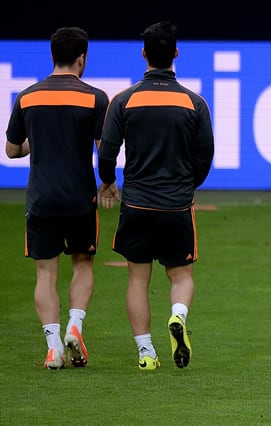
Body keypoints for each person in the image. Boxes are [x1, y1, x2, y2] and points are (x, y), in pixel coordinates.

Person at [97, 21, 214, 370]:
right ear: (176, 53)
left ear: (144, 53)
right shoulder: (194, 102)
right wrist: (188, 185)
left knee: (137, 278)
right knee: (181, 276)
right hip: (177, 204)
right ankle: (178, 315)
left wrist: (108, 182)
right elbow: (205, 155)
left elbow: (106, 153)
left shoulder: (124, 100)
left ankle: (146, 352)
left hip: (136, 203)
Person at [5, 27, 109, 369]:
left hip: (41, 199)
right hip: (80, 197)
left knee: (45, 274)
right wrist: (109, 184)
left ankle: (53, 348)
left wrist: (41, 139)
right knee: (82, 264)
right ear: (82, 59)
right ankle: (75, 327)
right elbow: (102, 148)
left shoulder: (27, 96)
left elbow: (12, 149)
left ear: (52, 56)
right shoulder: (95, 97)